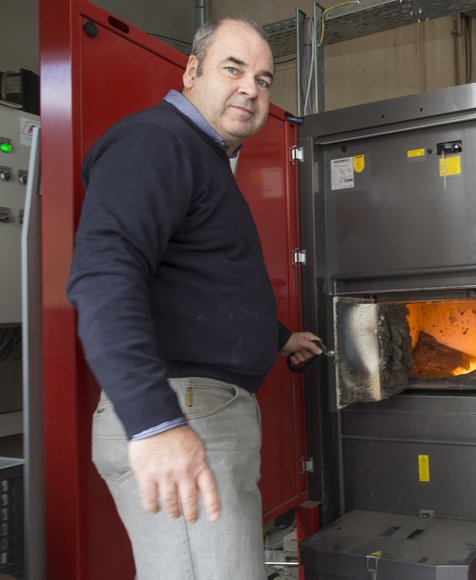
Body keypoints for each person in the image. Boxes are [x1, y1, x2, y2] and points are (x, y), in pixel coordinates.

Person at [66, 17, 322, 580]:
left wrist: (279, 338)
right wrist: (156, 422)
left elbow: (196, 281)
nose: (251, 89)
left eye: (263, 79)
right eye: (233, 69)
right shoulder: (155, 142)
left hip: (200, 410)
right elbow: (103, 276)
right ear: (190, 71)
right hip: (182, 409)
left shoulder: (201, 157)